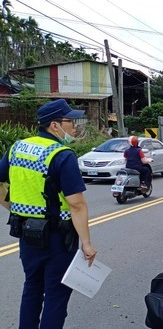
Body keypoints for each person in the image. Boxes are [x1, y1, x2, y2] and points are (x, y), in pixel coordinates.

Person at [0, 98, 97, 329]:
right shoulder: (62, 154)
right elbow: (77, 205)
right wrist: (87, 244)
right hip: (57, 239)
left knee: (32, 287)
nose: (74, 126)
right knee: (56, 293)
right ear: (54, 125)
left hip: (27, 234)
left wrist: (13, 206)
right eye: (70, 121)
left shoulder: (17, 148)